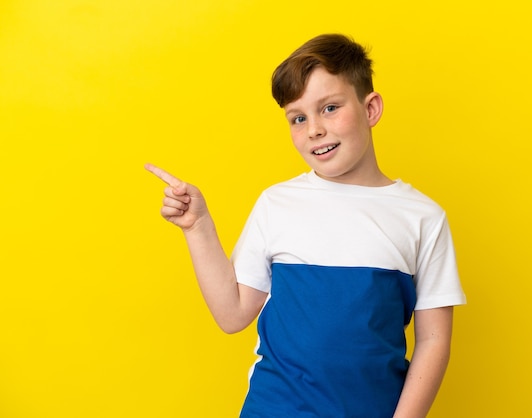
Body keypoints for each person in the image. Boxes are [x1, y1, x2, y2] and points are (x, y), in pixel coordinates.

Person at [146, 33, 466, 418]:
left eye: (329, 108)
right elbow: (232, 316)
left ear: (371, 109)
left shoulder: (422, 218)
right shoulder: (277, 204)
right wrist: (197, 226)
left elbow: (433, 340)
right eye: (298, 118)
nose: (314, 128)